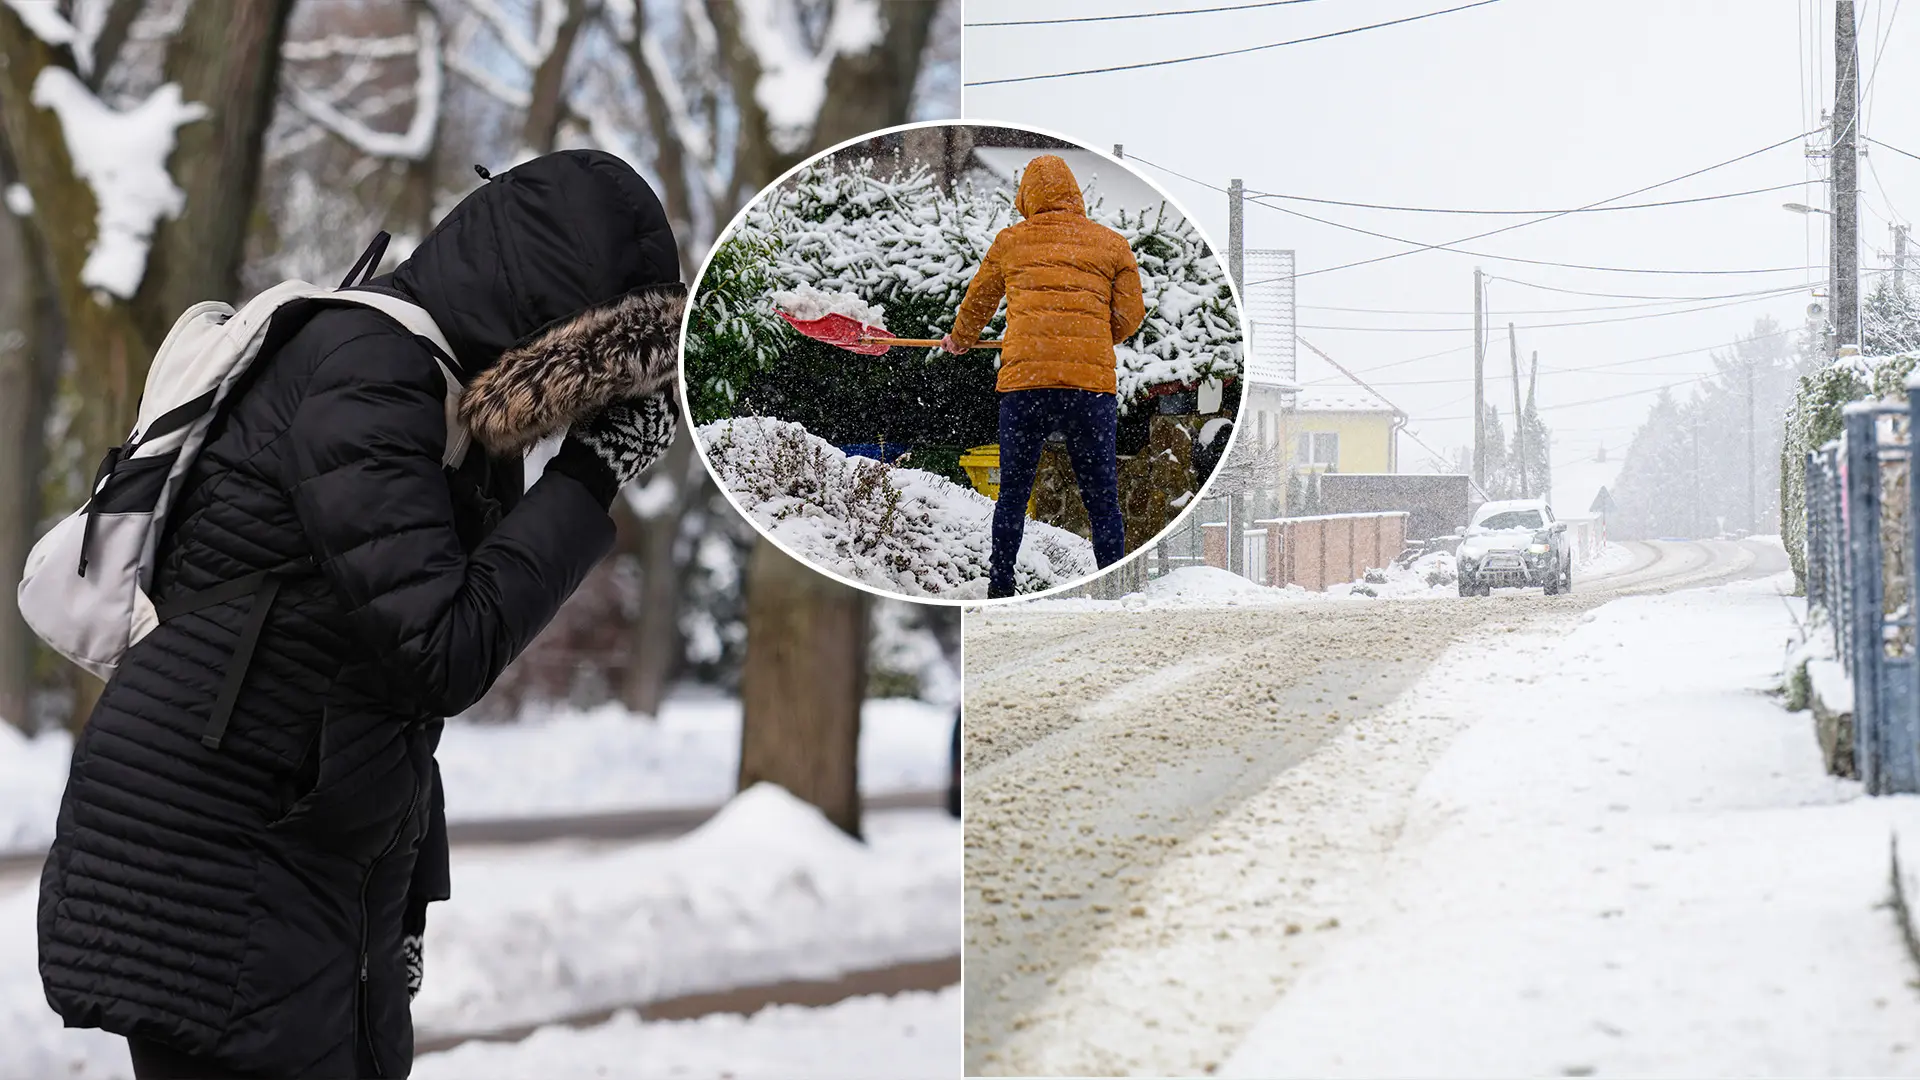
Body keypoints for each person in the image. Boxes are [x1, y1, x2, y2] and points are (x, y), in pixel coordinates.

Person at [37, 149, 686, 1080]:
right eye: (596, 379)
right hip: (211, 852)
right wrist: (589, 476)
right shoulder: (368, 371)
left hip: (292, 844)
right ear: (544, 322)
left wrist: (404, 898)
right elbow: (439, 648)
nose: (585, 412)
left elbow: (379, 691)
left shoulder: (445, 406)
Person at [942, 153, 1146, 599]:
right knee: (1102, 498)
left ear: (1027, 197)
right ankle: (1113, 588)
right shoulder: (1111, 244)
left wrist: (960, 339)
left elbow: (980, 300)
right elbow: (1131, 314)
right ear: (1075, 194)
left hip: (1026, 387)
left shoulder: (1011, 242)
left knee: (1013, 494)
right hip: (1089, 391)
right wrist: (1092, 339)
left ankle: (1001, 585)